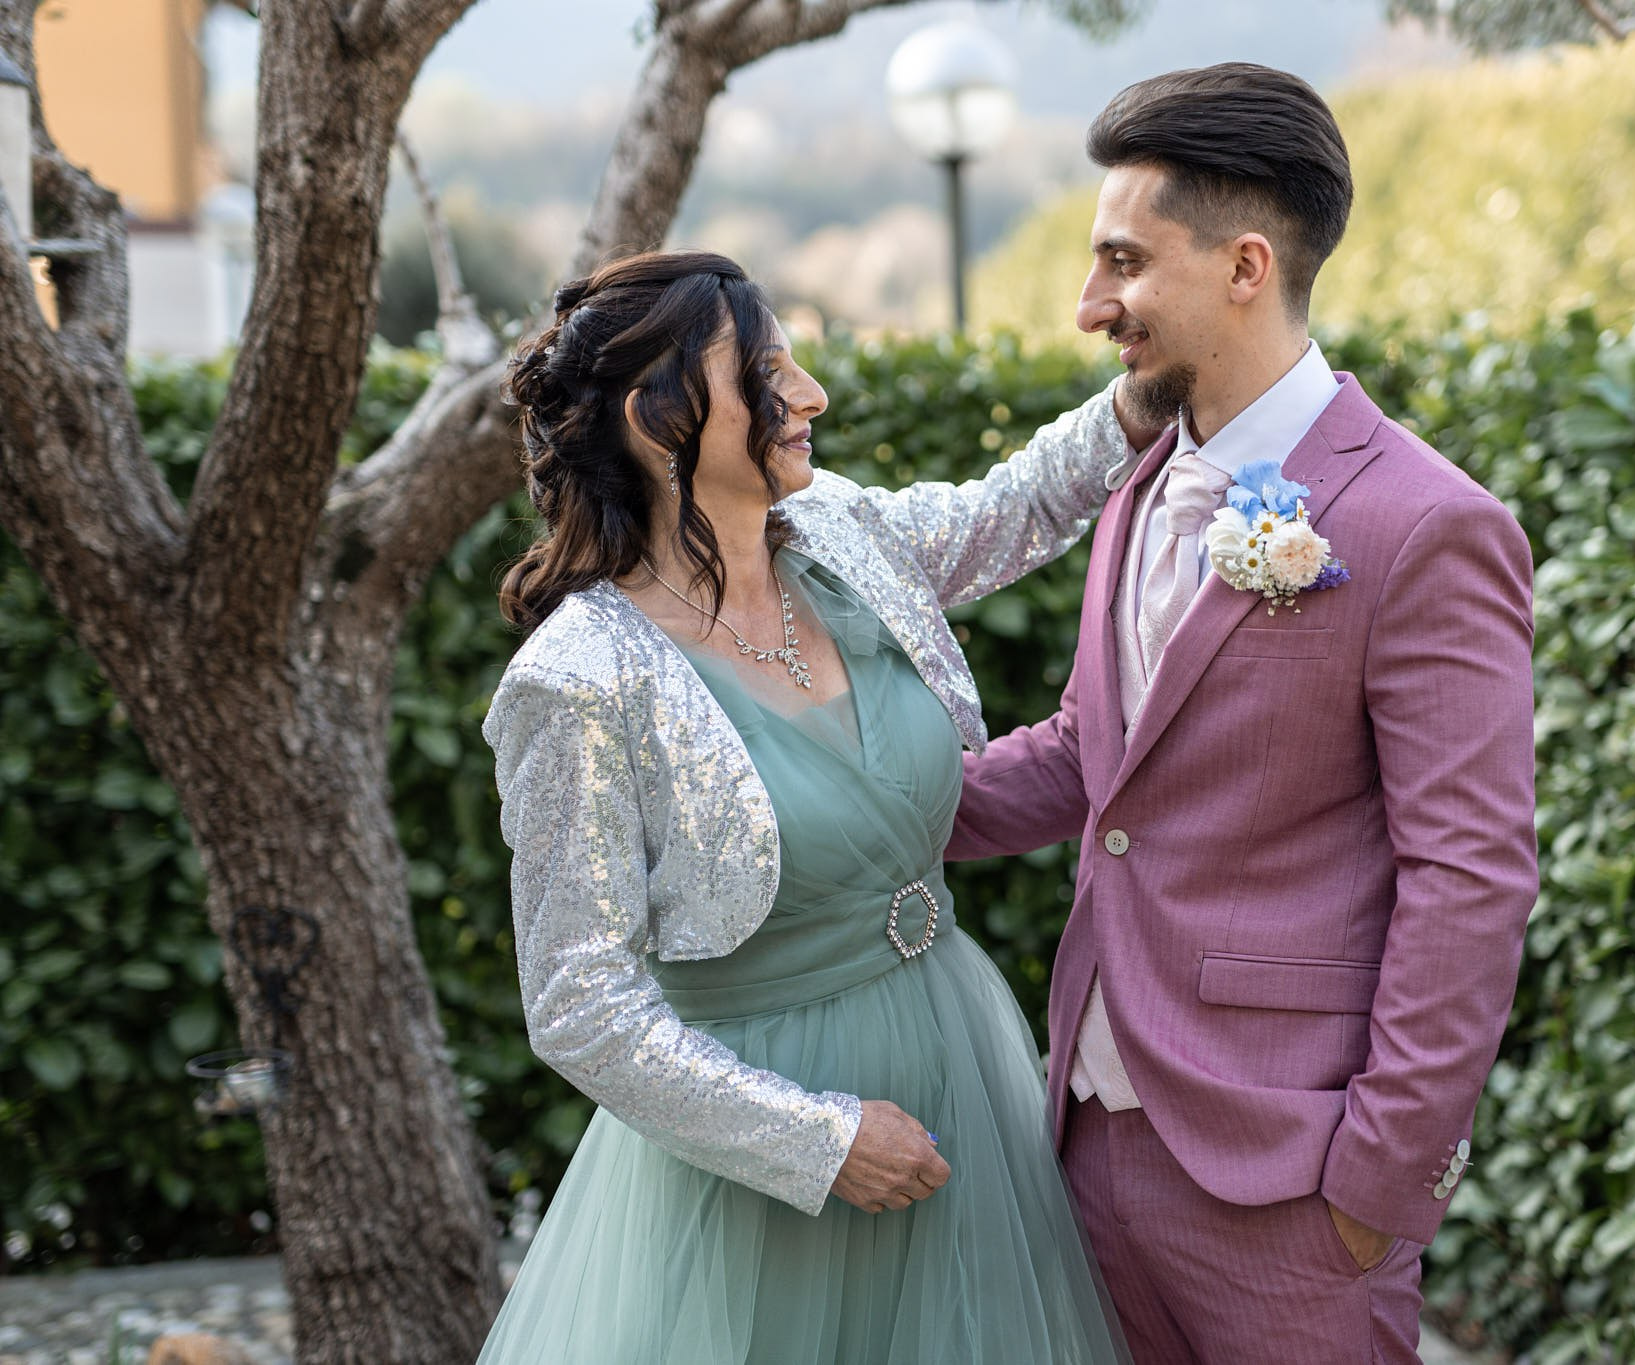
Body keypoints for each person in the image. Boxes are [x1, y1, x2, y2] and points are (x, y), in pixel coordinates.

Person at [946, 64, 1539, 1364]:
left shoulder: (1427, 524)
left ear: (1244, 266)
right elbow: (1095, 757)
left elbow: (1472, 876)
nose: (1090, 304)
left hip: (1294, 1181)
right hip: (1090, 1142)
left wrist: (1379, 1182)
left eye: (1122, 262)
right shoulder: (1140, 484)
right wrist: (853, 801)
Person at [477, 249, 1142, 1364]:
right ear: (656, 416)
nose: (812, 396)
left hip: (960, 1071)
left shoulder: (837, 534)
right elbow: (579, 1003)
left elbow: (1011, 508)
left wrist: (1143, 400)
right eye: (768, 372)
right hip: (761, 1165)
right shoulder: (579, 680)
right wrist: (816, 1142)